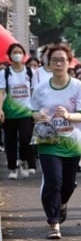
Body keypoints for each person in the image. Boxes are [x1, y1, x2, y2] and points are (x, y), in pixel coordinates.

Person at [30, 44, 81, 239]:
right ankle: (54, 222)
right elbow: (33, 111)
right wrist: (40, 116)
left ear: (69, 62)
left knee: (68, 184)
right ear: (49, 63)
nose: (58, 63)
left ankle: (62, 203)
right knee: (53, 180)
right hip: (48, 142)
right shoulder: (41, 89)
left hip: (73, 142)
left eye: (62, 60)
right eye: (54, 60)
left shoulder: (79, 87)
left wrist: (69, 116)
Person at [1, 43, 38, 179]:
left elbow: (35, 91)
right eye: (14, 52)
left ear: (23, 55)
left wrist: (36, 109)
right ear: (10, 55)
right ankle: (12, 168)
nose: (17, 54)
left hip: (26, 112)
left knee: (26, 136)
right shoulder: (4, 73)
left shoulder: (30, 72)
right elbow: (1, 92)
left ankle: (23, 159)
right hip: (10, 112)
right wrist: (0, 109)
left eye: (20, 52)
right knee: (10, 141)